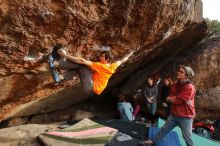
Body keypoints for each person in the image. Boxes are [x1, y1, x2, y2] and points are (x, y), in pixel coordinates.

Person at [144, 65, 196, 146]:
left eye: (181, 72)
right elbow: (172, 96)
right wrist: (174, 98)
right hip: (174, 113)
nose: (178, 72)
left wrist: (172, 99)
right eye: (179, 70)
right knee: (164, 129)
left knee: (187, 137)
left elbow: (179, 100)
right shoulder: (176, 84)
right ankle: (152, 141)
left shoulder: (190, 87)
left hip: (186, 116)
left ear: (186, 76)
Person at [55, 44, 134, 95]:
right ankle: (62, 79)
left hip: (90, 86)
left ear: (108, 60)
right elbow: (122, 61)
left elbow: (82, 61)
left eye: (102, 57)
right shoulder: (112, 66)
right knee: (81, 68)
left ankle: (60, 65)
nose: (100, 58)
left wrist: (66, 56)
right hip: (92, 89)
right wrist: (130, 54)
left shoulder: (100, 66)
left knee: (83, 66)